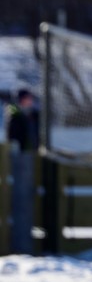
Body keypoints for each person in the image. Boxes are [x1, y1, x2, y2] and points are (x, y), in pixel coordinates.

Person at [5, 89, 39, 255]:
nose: (29, 101)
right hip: (20, 159)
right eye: (26, 99)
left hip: (30, 156)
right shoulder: (15, 114)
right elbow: (12, 135)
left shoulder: (33, 115)